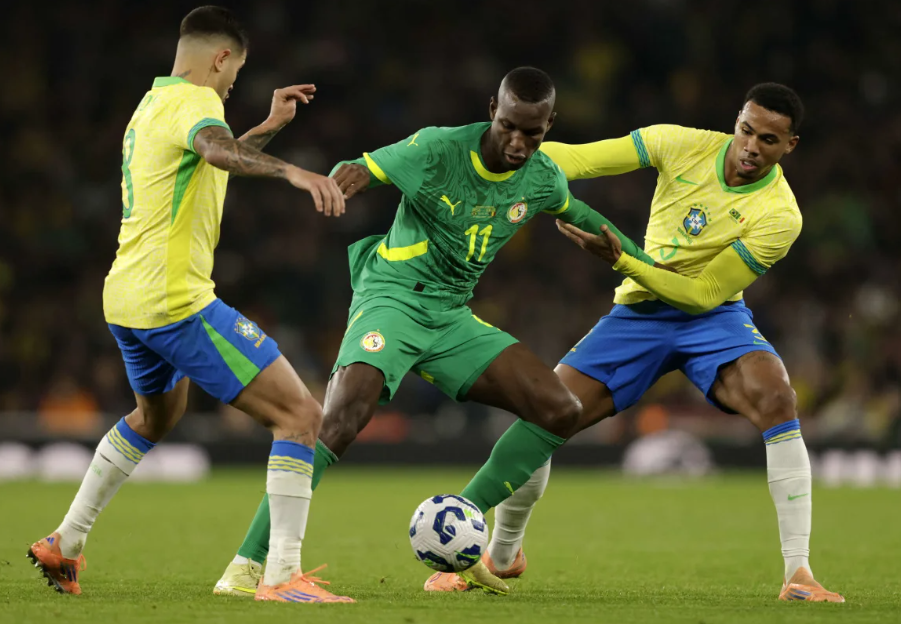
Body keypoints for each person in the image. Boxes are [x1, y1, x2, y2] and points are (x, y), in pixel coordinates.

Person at [213, 66, 656, 597]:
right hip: (392, 298)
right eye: (510, 126)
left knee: (560, 409)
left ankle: (462, 532)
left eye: (533, 132)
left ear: (549, 125)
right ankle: (247, 564)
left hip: (450, 316)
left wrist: (643, 266)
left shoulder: (541, 179)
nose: (519, 142)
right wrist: (340, 181)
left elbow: (584, 214)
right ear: (493, 108)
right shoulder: (436, 149)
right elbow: (361, 167)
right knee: (341, 417)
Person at [427, 83, 844, 603]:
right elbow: (576, 160)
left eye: (768, 139)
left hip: (712, 317)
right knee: (545, 412)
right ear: (735, 120)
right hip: (638, 315)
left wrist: (621, 258)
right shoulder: (679, 143)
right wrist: (482, 158)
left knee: (778, 397)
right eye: (745, 130)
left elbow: (704, 293)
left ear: (790, 145)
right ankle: (491, 550)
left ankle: (798, 574)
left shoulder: (781, 214)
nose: (751, 146)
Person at [27, 6, 353, 604]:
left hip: (126, 296)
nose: (233, 85)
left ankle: (66, 540)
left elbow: (208, 161)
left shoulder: (152, 105)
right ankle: (281, 576)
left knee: (155, 418)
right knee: (303, 415)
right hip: (176, 299)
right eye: (237, 71)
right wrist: (294, 173)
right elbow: (217, 149)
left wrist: (269, 127)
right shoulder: (200, 105)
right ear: (222, 57)